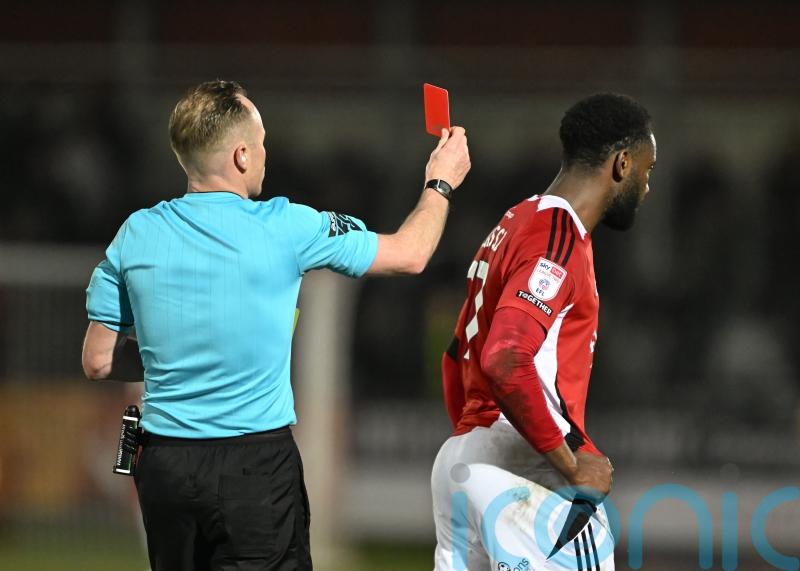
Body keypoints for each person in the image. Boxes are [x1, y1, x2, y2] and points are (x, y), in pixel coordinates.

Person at [81, 79, 470, 571]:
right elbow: (411, 255)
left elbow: (97, 361)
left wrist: (173, 358)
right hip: (254, 466)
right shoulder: (286, 226)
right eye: (262, 144)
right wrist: (440, 182)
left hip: (164, 464)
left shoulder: (135, 233)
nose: (266, 155)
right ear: (242, 155)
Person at [431, 93, 656, 571]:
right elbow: (506, 357)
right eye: (646, 170)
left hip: (464, 458)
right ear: (621, 164)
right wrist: (573, 464)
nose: (647, 186)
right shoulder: (558, 237)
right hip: (522, 460)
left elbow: (457, 358)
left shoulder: (516, 222)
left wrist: (471, 439)